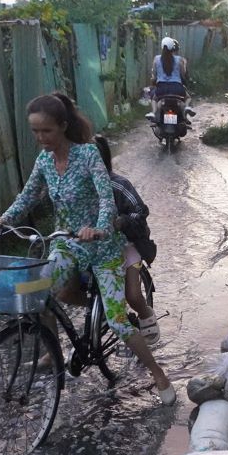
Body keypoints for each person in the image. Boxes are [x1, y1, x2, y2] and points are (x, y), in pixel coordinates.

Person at [0, 92, 175, 405]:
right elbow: (28, 196)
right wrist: (2, 220)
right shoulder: (44, 160)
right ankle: (53, 353)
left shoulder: (87, 154)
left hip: (103, 248)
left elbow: (105, 196)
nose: (41, 138)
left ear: (63, 126)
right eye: (35, 131)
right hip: (66, 245)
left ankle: (157, 372)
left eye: (47, 131)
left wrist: (98, 226)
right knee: (38, 292)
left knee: (117, 320)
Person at [93, 134, 160, 345]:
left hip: (127, 244)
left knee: (132, 295)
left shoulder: (119, 185)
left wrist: (120, 222)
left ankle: (146, 315)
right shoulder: (80, 188)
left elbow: (140, 212)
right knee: (67, 290)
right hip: (94, 249)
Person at [147, 37, 195, 120]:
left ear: (162, 46)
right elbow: (183, 74)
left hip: (161, 89)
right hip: (176, 88)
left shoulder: (156, 59)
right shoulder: (180, 59)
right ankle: (187, 107)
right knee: (188, 97)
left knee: (154, 99)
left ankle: (154, 112)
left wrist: (154, 81)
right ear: (173, 47)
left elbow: (154, 75)